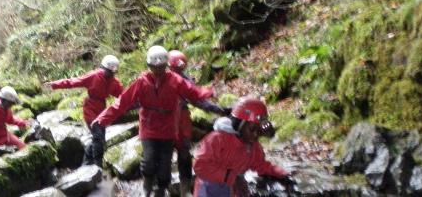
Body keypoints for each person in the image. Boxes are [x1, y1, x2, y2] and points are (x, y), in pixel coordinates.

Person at [91, 46, 215, 197]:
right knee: (149, 160)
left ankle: (160, 191)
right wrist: (102, 119)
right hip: (148, 127)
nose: (157, 71)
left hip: (168, 129)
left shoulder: (175, 80)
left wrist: (209, 92)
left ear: (166, 66)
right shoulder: (142, 82)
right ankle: (147, 186)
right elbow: (123, 102)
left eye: (161, 67)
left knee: (165, 166)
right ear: (149, 66)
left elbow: (193, 92)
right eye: (154, 67)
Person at [193, 98, 291, 197]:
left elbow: (261, 165)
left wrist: (283, 175)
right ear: (238, 124)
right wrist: (231, 178)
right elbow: (199, 166)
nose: (255, 135)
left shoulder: (252, 145)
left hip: (232, 189)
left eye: (259, 131)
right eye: (252, 129)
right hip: (208, 190)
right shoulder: (216, 139)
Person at [168, 50, 232, 196]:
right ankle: (164, 186)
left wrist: (217, 109)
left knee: (184, 152)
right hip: (166, 119)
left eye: (180, 69)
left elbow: (196, 99)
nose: (178, 71)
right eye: (176, 68)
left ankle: (185, 188)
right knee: (166, 153)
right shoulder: (160, 79)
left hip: (181, 118)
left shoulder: (184, 80)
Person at [44, 55, 123, 166]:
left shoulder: (114, 82)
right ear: (103, 68)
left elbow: (124, 95)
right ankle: (97, 166)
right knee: (98, 137)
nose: (110, 74)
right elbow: (73, 82)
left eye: (112, 73)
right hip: (90, 109)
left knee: (99, 140)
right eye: (108, 72)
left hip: (102, 110)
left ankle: (86, 163)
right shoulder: (94, 76)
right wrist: (54, 85)